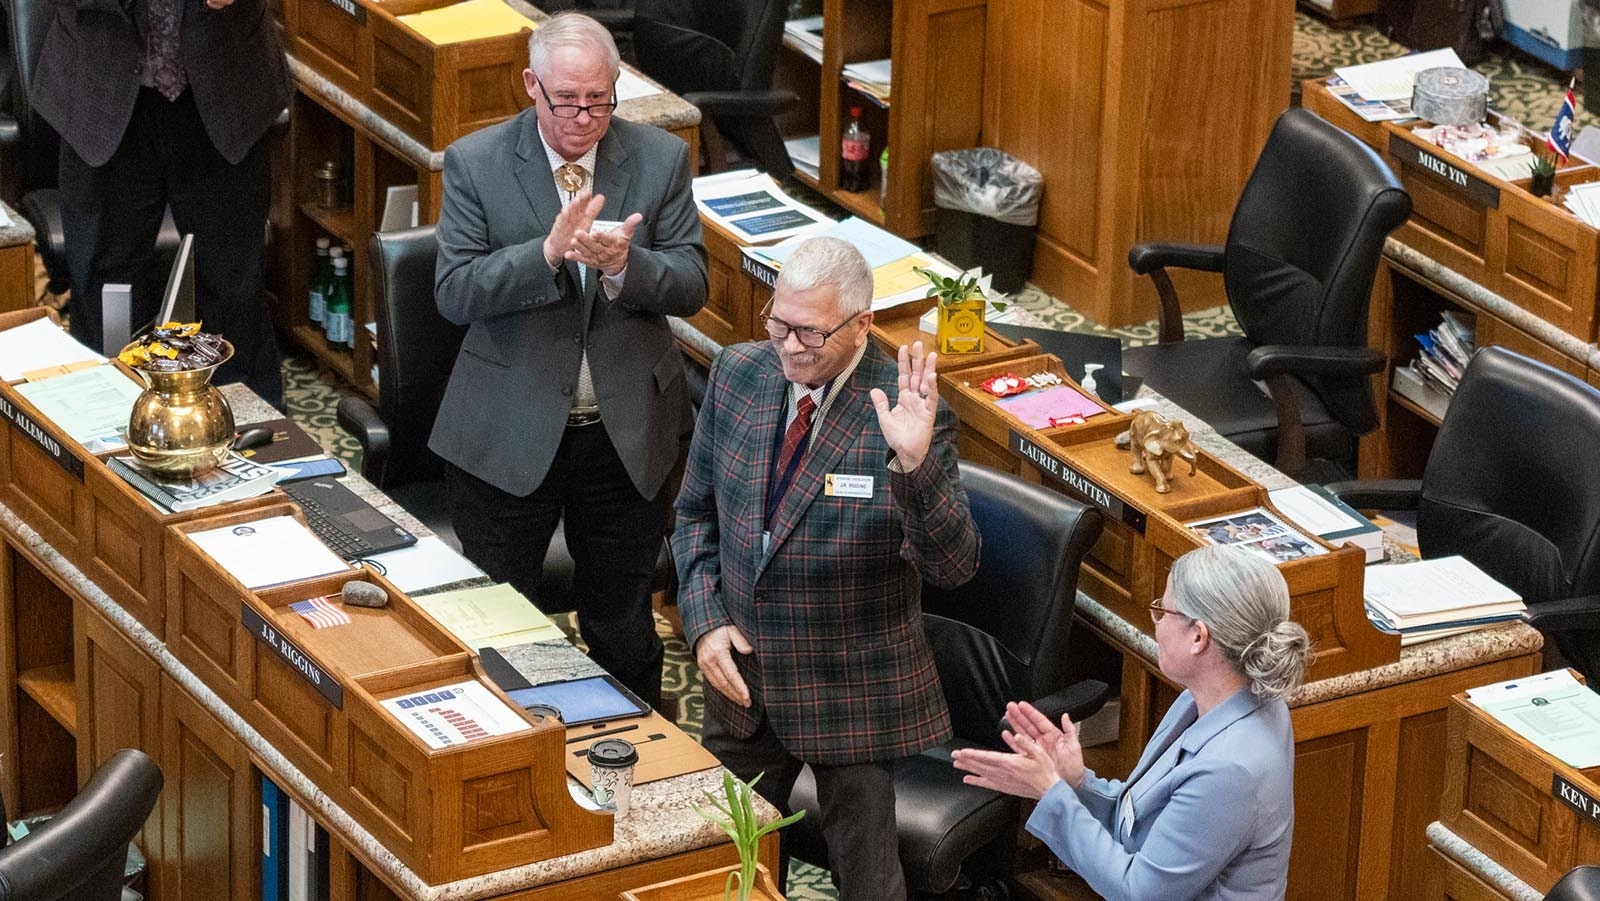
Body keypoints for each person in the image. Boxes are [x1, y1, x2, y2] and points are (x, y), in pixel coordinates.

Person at [672, 236, 980, 900]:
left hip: (850, 691)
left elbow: (954, 564)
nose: (788, 346)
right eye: (778, 323)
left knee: (868, 883)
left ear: (862, 323)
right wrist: (704, 624)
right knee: (718, 868)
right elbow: (694, 514)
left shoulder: (905, 411)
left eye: (809, 334)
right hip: (743, 680)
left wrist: (915, 466)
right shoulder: (738, 372)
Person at [430, 13, 706, 711]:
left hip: (624, 436)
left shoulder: (659, 158)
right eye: (567, 100)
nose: (586, 117)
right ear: (532, 86)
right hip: (507, 432)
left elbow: (694, 283)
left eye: (600, 99)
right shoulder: (476, 162)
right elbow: (454, 292)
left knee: (622, 625)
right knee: (505, 631)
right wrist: (546, 254)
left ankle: (638, 771)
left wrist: (625, 268)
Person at [953, 544, 1312, 901]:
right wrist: (1077, 783)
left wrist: (1053, 795)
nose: (1155, 625)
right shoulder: (1209, 698)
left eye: (1163, 611)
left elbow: (1139, 892)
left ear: (1198, 637)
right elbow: (1142, 821)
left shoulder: (1230, 771)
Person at [31, 0, 288, 404]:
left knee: (233, 289)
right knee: (106, 292)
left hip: (227, 83)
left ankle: (246, 437)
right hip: (102, 89)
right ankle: (106, 435)